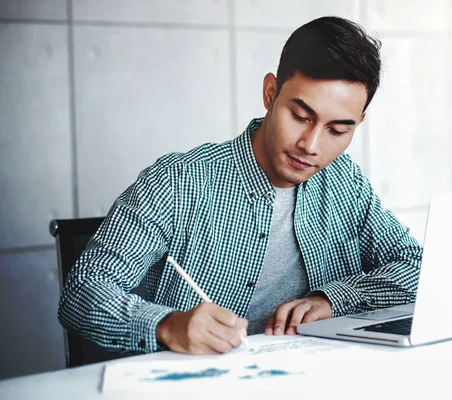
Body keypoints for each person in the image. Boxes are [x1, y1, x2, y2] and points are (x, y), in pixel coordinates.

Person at [58, 16, 423, 356]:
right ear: (270, 93)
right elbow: (82, 291)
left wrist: (333, 300)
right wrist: (167, 326)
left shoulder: (344, 181)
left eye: (337, 130)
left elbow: (415, 266)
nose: (311, 145)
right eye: (300, 116)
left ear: (357, 123)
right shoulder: (178, 182)